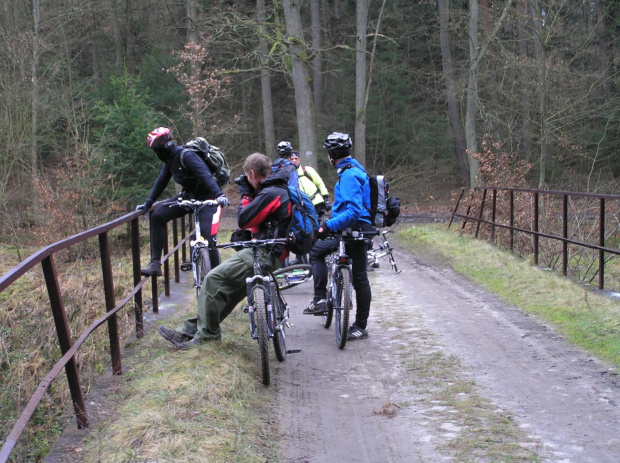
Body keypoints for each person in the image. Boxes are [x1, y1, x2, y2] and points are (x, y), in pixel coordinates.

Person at [158, 152, 292, 348]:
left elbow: (243, 220)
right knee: (227, 292)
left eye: (247, 177)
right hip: (268, 251)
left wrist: (246, 194)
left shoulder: (272, 193)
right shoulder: (273, 190)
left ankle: (208, 337)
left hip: (266, 253)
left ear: (252, 173)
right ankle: (192, 330)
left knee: (212, 280)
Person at [303, 132, 374, 341]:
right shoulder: (353, 170)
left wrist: (328, 226)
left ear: (331, 155)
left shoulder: (350, 175)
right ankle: (359, 324)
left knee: (318, 252)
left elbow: (352, 211)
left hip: (353, 229)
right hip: (359, 228)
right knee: (360, 276)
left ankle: (321, 300)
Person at [136, 127, 229, 277]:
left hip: (209, 198)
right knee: (158, 216)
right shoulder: (169, 160)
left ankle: (216, 278)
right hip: (189, 197)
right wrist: (148, 202)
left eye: (157, 149)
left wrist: (219, 195)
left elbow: (205, 175)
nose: (156, 153)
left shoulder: (187, 156)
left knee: (208, 239)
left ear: (165, 146)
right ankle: (155, 264)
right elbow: (161, 181)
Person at [290, 151, 331, 218]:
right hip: (303, 205)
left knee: (319, 223)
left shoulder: (307, 170)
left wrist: (326, 199)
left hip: (316, 202)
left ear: (299, 159)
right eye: (292, 159)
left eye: (296, 158)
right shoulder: (289, 175)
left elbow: (320, 183)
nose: (294, 161)